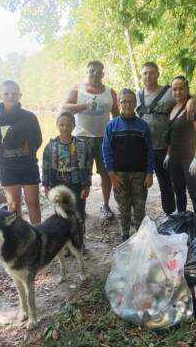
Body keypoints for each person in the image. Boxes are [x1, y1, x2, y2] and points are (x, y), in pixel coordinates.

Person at [135, 62, 196, 216]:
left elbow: (189, 96)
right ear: (141, 76)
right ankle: (169, 215)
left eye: (151, 72)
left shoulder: (169, 92)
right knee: (162, 184)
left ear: (158, 74)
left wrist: (192, 101)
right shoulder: (137, 96)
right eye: (145, 73)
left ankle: (183, 214)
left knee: (177, 183)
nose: (148, 76)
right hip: (147, 149)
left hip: (168, 147)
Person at [62, 60, 119, 220]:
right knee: (82, 175)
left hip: (105, 139)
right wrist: (82, 106)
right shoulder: (77, 89)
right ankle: (81, 208)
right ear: (87, 72)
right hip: (81, 138)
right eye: (91, 71)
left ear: (103, 74)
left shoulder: (110, 92)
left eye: (98, 71)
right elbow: (64, 107)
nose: (94, 74)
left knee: (106, 174)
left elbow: (116, 115)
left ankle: (106, 206)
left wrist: (117, 136)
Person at [0, 80, 42, 223]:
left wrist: (30, 151)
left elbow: (38, 139)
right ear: (0, 96)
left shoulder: (29, 117)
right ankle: (18, 238)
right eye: (6, 93)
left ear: (20, 95)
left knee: (33, 202)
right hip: (7, 168)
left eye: (14, 93)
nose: (10, 96)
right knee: (13, 205)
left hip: (28, 166)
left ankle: (38, 235)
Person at [102, 88, 154, 241]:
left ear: (135, 103)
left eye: (130, 101)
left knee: (139, 208)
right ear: (118, 104)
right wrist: (112, 176)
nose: (127, 104)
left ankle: (140, 237)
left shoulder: (143, 126)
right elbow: (106, 151)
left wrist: (150, 173)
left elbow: (150, 151)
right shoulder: (112, 126)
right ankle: (125, 235)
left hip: (140, 175)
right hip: (120, 176)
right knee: (123, 208)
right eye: (123, 101)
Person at [42, 111, 92, 234]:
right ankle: (63, 243)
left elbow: (88, 167)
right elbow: (45, 167)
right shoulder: (51, 146)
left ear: (74, 126)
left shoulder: (82, 145)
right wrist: (46, 186)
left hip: (77, 184)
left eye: (68, 125)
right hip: (58, 185)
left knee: (78, 214)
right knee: (60, 215)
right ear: (57, 125)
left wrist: (86, 186)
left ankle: (79, 242)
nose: (65, 128)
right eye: (61, 124)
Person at [163, 76, 196, 217]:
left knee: (194, 193)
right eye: (175, 89)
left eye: (181, 88)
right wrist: (168, 153)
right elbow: (171, 134)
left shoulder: (194, 108)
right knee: (179, 192)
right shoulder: (170, 109)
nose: (178, 92)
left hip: (190, 158)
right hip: (174, 158)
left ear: (187, 89)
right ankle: (182, 222)